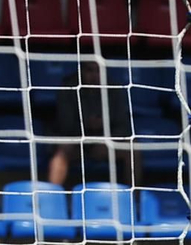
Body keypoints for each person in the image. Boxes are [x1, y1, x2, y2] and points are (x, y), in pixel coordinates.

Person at [46, 60, 138, 189]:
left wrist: (106, 140)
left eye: (98, 70)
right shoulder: (68, 87)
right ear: (81, 71)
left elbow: (124, 126)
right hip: (76, 142)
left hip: (105, 143)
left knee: (133, 151)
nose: (94, 75)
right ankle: (51, 196)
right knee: (61, 154)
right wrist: (86, 125)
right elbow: (64, 125)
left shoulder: (114, 89)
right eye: (89, 70)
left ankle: (136, 200)